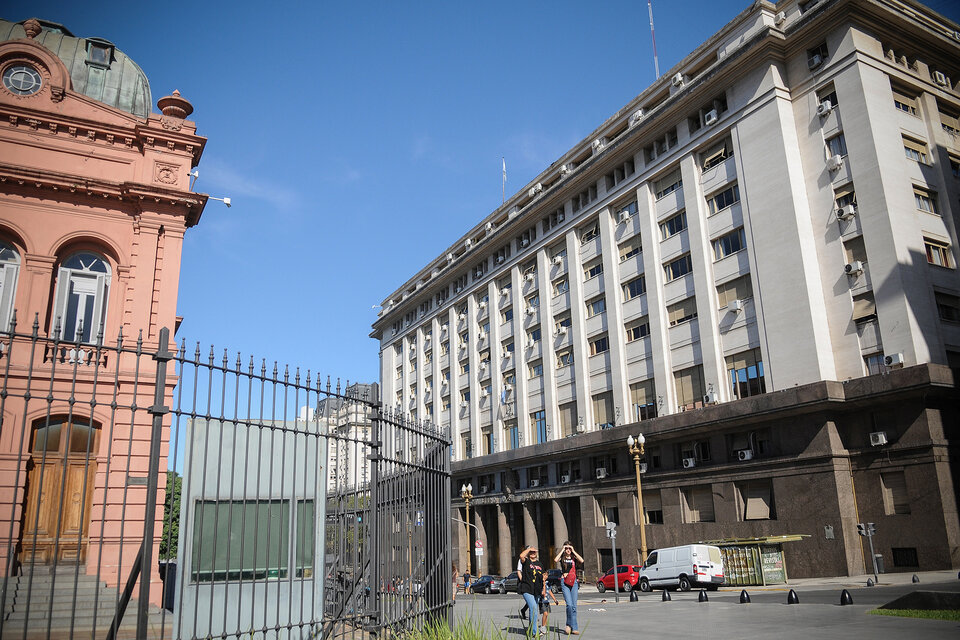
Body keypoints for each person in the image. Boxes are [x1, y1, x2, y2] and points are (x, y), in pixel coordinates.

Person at [554, 541, 583, 635]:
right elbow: (555, 559)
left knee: (574, 606)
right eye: (567, 548)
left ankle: (573, 627)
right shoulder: (562, 558)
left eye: (569, 548)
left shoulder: (574, 558)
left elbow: (582, 560)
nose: (568, 550)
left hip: (574, 582)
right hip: (564, 581)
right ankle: (568, 625)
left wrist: (573, 550)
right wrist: (563, 549)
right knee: (569, 605)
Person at [517, 546, 546, 637]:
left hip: (537, 590)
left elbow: (543, 578)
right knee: (533, 608)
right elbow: (521, 556)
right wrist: (529, 549)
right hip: (527, 589)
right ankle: (534, 632)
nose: (533, 553)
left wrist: (544, 589)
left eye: (534, 552)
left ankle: (530, 630)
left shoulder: (540, 564)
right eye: (531, 552)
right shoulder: (526, 562)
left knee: (533, 611)